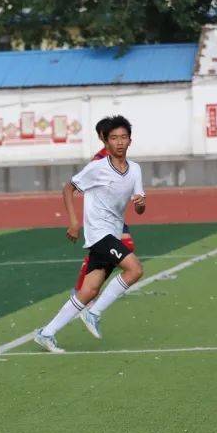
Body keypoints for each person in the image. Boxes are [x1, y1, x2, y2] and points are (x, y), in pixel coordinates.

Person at [34, 116, 146, 353]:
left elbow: (139, 207)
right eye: (114, 138)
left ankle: (46, 333)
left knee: (89, 290)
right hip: (98, 233)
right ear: (105, 141)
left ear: (130, 140)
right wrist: (74, 222)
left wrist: (140, 203)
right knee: (135, 269)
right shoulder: (97, 167)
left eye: (123, 137)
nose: (119, 142)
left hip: (113, 234)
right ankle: (94, 313)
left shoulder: (135, 169)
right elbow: (69, 188)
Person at [72, 118, 137, 302]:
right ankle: (83, 288)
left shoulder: (116, 158)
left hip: (114, 215)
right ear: (103, 137)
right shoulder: (99, 160)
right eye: (113, 136)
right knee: (123, 249)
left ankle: (88, 288)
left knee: (123, 248)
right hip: (103, 217)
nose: (119, 141)